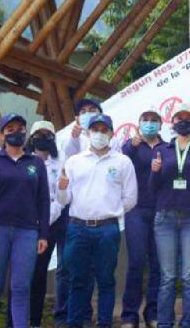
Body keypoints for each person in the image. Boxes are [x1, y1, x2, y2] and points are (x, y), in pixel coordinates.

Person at [0, 118, 68, 328]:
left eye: (48, 135)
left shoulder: (53, 162)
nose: (44, 138)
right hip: (9, 226)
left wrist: (43, 230)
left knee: (30, 281)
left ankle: (33, 323)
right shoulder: (6, 159)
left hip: (41, 226)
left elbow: (50, 199)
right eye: (39, 135)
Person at [0, 113, 51, 328]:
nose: (16, 132)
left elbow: (43, 201)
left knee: (21, 287)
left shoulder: (36, 163)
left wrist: (43, 234)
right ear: (2, 134)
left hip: (27, 232)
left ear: (26, 132)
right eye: (10, 129)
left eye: (20, 128)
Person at [57, 113, 137, 328]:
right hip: (77, 228)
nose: (99, 134)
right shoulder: (74, 161)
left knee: (106, 281)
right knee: (77, 281)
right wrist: (62, 189)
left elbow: (130, 198)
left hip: (107, 229)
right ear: (88, 132)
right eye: (95, 130)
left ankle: (104, 323)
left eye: (104, 130)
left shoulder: (122, 162)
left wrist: (110, 213)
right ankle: (74, 323)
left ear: (111, 134)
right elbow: (63, 200)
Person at [150, 104, 190, 328]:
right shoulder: (161, 150)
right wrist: (155, 171)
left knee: (189, 276)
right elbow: (153, 187)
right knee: (167, 277)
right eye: (179, 118)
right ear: (173, 122)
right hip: (165, 219)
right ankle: (165, 323)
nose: (184, 121)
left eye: (188, 118)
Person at [120, 111, 165, 328]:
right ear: (138, 124)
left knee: (157, 264)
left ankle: (153, 312)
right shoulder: (132, 146)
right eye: (145, 120)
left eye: (153, 121)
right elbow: (121, 160)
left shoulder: (166, 147)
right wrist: (132, 144)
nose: (149, 124)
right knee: (136, 262)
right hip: (136, 211)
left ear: (161, 124)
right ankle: (129, 314)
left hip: (161, 211)